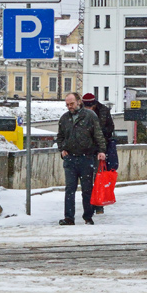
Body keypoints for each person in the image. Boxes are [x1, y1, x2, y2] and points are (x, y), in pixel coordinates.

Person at [56, 91, 106, 226]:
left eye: (72, 104)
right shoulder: (64, 118)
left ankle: (88, 217)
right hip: (70, 158)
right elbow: (60, 136)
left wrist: (101, 151)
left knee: (87, 189)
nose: (69, 107)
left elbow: (98, 134)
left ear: (79, 102)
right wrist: (62, 149)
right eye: (67, 104)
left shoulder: (90, 116)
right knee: (69, 189)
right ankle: (69, 218)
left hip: (87, 158)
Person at [82, 92, 117, 214]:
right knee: (88, 178)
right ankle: (90, 204)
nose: (88, 109)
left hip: (99, 149)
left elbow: (110, 128)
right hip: (86, 149)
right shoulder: (81, 112)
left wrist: (99, 133)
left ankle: (98, 203)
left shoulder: (103, 110)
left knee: (98, 177)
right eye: (86, 106)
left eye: (90, 106)